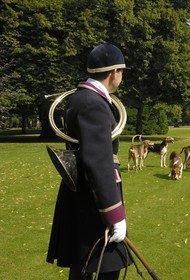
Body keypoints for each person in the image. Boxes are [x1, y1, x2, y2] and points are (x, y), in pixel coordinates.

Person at [47, 43, 131, 279]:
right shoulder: (93, 104)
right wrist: (115, 214)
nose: (121, 77)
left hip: (85, 194)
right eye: (122, 72)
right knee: (103, 269)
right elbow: (98, 162)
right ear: (114, 72)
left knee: (83, 268)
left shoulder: (81, 98)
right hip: (94, 200)